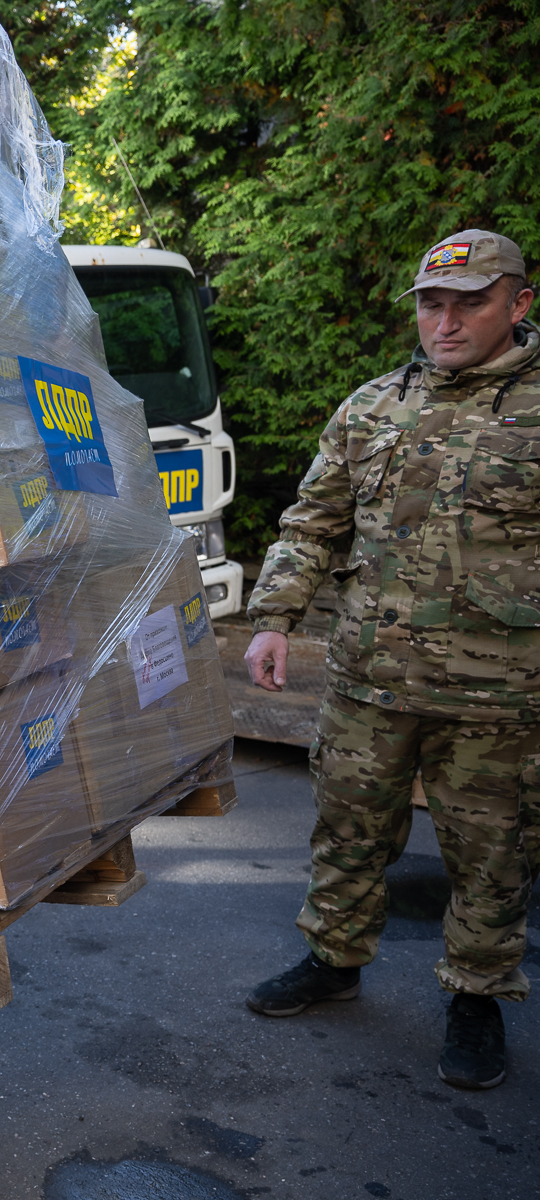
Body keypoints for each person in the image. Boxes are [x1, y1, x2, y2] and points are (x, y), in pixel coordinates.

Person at [243, 230, 539, 1091]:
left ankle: (477, 996)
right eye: (431, 304)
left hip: (501, 694)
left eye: (469, 304)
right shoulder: (372, 407)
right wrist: (273, 618)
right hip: (369, 678)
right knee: (348, 828)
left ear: (519, 304)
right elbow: (313, 522)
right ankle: (334, 959)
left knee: (494, 851)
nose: (445, 322)